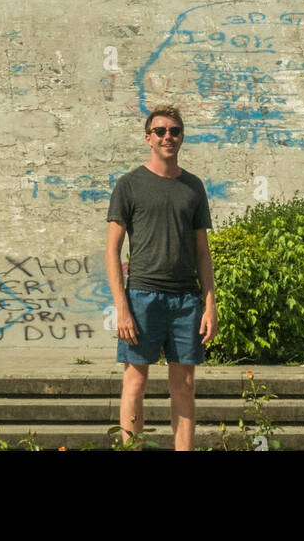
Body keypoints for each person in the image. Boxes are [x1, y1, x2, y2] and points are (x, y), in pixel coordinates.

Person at [106, 105, 217, 452]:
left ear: (182, 137)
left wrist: (210, 305)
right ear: (148, 138)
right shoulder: (130, 185)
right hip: (142, 297)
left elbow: (203, 252)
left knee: (184, 385)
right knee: (135, 382)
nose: (168, 136)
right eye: (160, 131)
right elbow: (112, 251)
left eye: (174, 130)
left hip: (186, 300)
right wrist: (122, 307)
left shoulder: (193, 187)